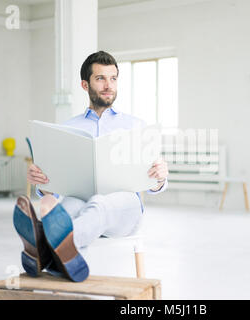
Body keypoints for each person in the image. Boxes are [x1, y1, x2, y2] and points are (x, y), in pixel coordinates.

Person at [13, 51, 169, 282]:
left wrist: (160, 176)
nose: (108, 85)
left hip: (124, 209)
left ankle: (44, 248)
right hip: (82, 200)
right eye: (100, 78)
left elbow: (155, 185)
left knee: (98, 204)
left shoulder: (136, 126)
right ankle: (68, 266)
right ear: (85, 84)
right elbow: (53, 190)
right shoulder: (67, 129)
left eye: (113, 78)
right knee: (68, 208)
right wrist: (41, 180)